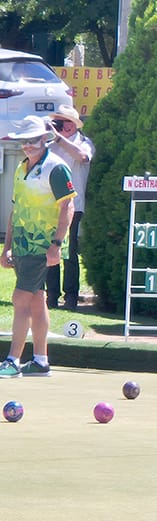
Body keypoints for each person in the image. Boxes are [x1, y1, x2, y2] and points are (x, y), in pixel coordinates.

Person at [0, 116, 76, 379]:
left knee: (20, 299)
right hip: (22, 245)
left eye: (33, 139)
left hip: (41, 246)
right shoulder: (21, 168)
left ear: (45, 138)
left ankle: (12, 360)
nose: (28, 145)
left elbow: (68, 205)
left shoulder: (56, 167)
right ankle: (41, 361)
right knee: (36, 300)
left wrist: (56, 245)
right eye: (24, 140)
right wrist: (6, 246)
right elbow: (15, 209)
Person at [45, 106, 93, 310]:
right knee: (49, 251)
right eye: (59, 122)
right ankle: (52, 296)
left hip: (73, 205)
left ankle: (71, 296)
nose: (63, 126)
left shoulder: (83, 142)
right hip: (49, 206)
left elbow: (82, 157)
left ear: (74, 125)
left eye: (67, 122)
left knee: (69, 252)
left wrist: (58, 139)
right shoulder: (49, 145)